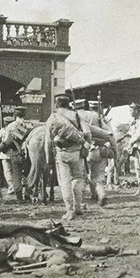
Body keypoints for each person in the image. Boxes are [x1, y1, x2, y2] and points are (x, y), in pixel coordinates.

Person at [45, 93, 92, 221]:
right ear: (68, 104)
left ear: (56, 104)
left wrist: (49, 159)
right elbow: (88, 133)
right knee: (77, 178)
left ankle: (69, 211)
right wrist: (85, 148)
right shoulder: (76, 115)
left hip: (61, 154)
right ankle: (78, 207)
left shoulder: (53, 117)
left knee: (65, 182)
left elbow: (48, 141)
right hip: (76, 153)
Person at [78, 100, 115, 206]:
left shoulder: (78, 117)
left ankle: (82, 198)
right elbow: (109, 134)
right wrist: (113, 150)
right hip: (100, 150)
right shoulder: (99, 118)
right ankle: (100, 194)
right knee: (98, 176)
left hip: (85, 150)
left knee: (82, 175)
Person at [0, 107, 29, 202]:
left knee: (16, 175)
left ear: (15, 114)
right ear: (24, 115)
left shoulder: (11, 126)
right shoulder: (28, 125)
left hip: (15, 152)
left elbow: (6, 141)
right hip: (27, 153)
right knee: (28, 173)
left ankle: (19, 198)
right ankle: (28, 193)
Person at [126, 102, 140, 197]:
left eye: (131, 110)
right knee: (138, 168)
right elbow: (131, 131)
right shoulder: (133, 120)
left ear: (137, 110)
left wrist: (131, 141)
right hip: (136, 147)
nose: (130, 112)